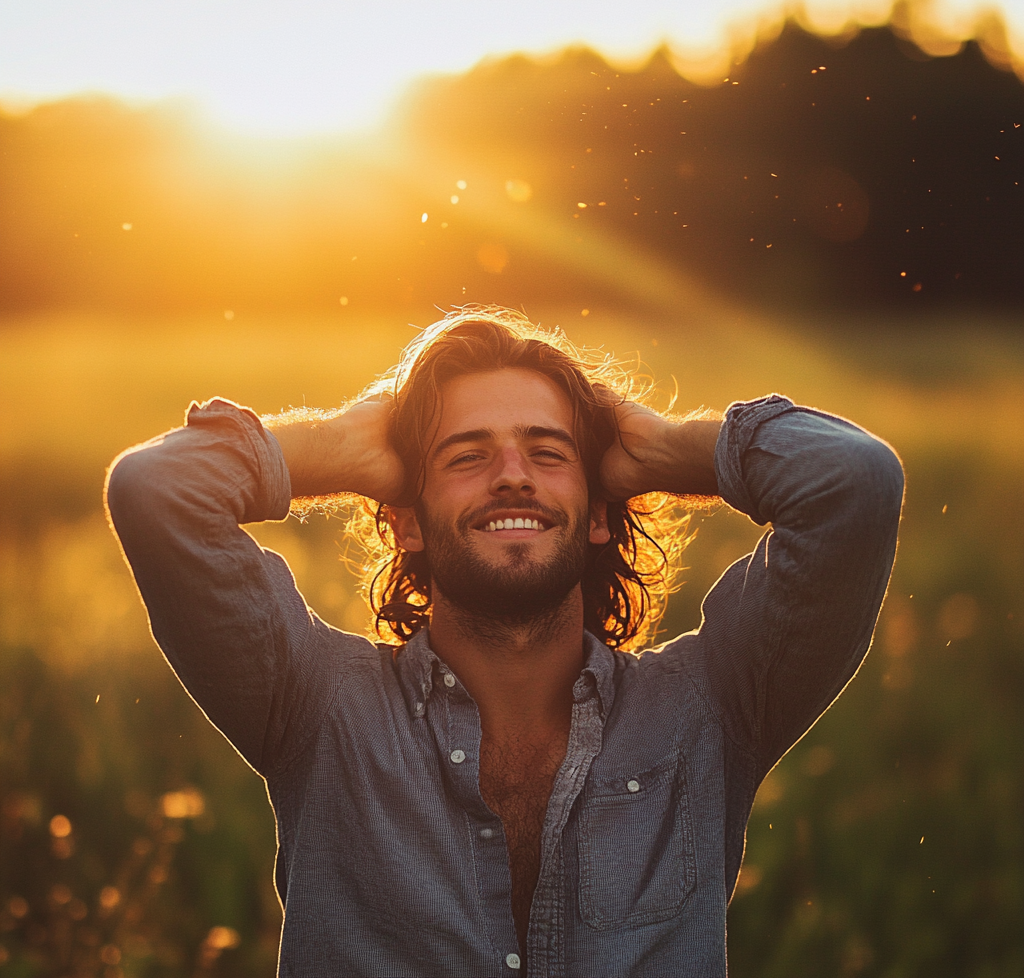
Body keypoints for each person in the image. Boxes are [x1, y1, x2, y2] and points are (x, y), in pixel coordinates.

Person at [105, 306, 903, 978]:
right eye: (468, 455)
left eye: (549, 453)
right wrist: (347, 441)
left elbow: (854, 480)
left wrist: (658, 447)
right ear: (405, 519)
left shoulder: (712, 706)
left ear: (599, 513)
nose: (513, 475)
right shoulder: (316, 705)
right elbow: (157, 490)